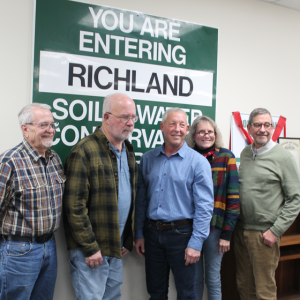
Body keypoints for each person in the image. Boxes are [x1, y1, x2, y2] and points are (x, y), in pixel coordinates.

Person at [63, 93, 138, 300]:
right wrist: (89, 247)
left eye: (133, 118)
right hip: (92, 250)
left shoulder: (128, 151)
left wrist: (128, 238)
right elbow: (74, 207)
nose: (130, 123)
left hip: (115, 245)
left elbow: (131, 197)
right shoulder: (84, 151)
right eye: (124, 117)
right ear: (106, 117)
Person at [135, 108, 214, 300]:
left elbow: (205, 207)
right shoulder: (147, 159)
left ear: (187, 129)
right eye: (172, 124)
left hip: (183, 236)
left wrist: (196, 242)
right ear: (163, 127)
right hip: (152, 235)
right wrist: (139, 234)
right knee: (155, 293)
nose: (176, 129)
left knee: (187, 294)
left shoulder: (198, 162)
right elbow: (141, 201)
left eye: (181, 125)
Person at [0, 103, 65, 300]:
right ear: (25, 129)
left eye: (52, 125)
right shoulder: (9, 162)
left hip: (49, 247)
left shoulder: (55, 159)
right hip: (19, 251)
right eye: (43, 125)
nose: (50, 130)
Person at [235, 108, 300, 300]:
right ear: (249, 128)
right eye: (257, 125)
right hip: (241, 231)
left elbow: (295, 199)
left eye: (267, 125)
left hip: (264, 235)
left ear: (272, 128)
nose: (262, 129)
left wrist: (275, 231)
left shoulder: (284, 157)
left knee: (264, 290)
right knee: (244, 286)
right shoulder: (246, 153)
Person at [186, 115, 240, 300]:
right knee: (194, 278)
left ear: (215, 135)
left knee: (213, 278)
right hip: (189, 228)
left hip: (215, 230)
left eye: (210, 132)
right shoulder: (186, 156)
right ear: (193, 135)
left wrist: (227, 234)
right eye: (201, 131)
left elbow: (233, 197)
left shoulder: (226, 157)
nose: (206, 135)